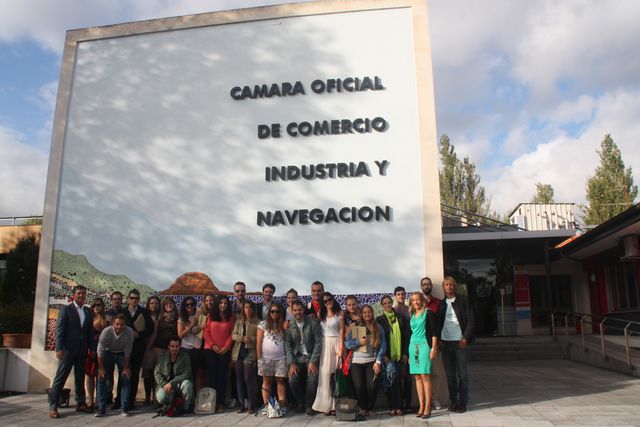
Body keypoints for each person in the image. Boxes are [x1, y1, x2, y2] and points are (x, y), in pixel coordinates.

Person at [48, 285, 94, 418]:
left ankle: (80, 403)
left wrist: (92, 348)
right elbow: (60, 330)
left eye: (84, 293)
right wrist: (59, 348)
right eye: (79, 293)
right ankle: (53, 406)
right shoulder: (66, 310)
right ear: (74, 295)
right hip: (67, 350)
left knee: (80, 378)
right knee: (60, 378)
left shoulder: (87, 311)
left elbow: (89, 332)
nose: (81, 295)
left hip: (82, 350)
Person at [437, 276, 475, 413]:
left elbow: (471, 320)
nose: (449, 287)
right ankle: (454, 402)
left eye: (451, 284)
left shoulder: (463, 301)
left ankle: (463, 403)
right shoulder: (441, 304)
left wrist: (465, 338)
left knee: (463, 376)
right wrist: (439, 341)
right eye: (446, 284)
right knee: (450, 376)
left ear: (455, 286)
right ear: (443, 287)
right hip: (446, 344)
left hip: (460, 343)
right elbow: (437, 323)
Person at [344, 304, 386, 419]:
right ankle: (363, 408)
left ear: (372, 313)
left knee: (372, 386)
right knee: (359, 386)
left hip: (371, 360)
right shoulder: (355, 326)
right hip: (357, 361)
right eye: (364, 312)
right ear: (361, 314)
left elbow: (383, 345)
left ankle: (371, 408)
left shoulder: (377, 327)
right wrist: (358, 342)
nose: (367, 314)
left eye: (369, 312)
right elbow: (347, 344)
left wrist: (378, 361)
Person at [284, 300, 322, 415]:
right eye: (295, 310)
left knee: (312, 379)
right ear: (292, 311)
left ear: (303, 310)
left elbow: (318, 343)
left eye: (299, 310)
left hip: (310, 356)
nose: (297, 312)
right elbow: (288, 345)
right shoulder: (290, 325)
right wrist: (292, 363)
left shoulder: (313, 322)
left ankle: (309, 405)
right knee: (292, 380)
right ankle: (300, 403)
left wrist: (313, 361)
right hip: (297, 358)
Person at [95, 313, 135, 417]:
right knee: (101, 378)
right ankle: (101, 408)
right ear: (113, 323)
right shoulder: (106, 332)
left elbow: (128, 351)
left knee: (126, 377)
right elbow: (100, 351)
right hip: (108, 352)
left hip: (122, 353)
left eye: (121, 325)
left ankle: (124, 408)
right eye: (117, 324)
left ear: (125, 325)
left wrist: (126, 368)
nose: (119, 327)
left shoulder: (129, 332)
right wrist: (101, 368)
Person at [312, 292, 345, 415]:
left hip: (336, 342)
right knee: (325, 374)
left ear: (333, 300)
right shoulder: (321, 313)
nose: (328, 302)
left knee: (335, 373)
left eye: (329, 300)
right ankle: (325, 404)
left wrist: (341, 348)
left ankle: (335, 405)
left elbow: (341, 330)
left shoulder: (339, 314)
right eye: (325, 301)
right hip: (324, 344)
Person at [377, 294, 410, 416]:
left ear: (392, 303)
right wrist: (383, 355)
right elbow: (378, 339)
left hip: (400, 355)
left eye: (389, 303)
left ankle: (399, 406)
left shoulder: (401, 318)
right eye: (384, 303)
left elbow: (407, 337)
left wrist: (406, 353)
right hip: (387, 356)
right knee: (389, 382)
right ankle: (392, 406)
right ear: (382, 306)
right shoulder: (379, 320)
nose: (387, 305)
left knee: (398, 381)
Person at [408, 292, 439, 419]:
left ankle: (427, 406)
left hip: (425, 346)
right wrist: (408, 354)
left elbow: (434, 332)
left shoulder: (429, 313)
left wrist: (433, 348)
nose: (416, 302)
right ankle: (421, 405)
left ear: (422, 300)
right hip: (413, 346)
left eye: (418, 299)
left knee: (425, 375)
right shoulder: (412, 315)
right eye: (413, 300)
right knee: (417, 377)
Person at [120, 289, 152, 410]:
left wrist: (140, 334)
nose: (134, 300)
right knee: (123, 373)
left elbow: (150, 328)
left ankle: (131, 400)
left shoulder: (144, 312)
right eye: (132, 298)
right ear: (128, 299)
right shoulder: (122, 311)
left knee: (135, 375)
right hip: (123, 346)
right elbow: (116, 326)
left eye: (136, 298)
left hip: (138, 347)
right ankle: (121, 399)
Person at [203, 294, 235, 413]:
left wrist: (226, 347)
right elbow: (205, 332)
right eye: (221, 303)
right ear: (217, 304)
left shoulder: (231, 318)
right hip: (210, 350)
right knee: (212, 377)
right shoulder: (211, 316)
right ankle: (212, 402)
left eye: (225, 303)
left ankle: (220, 403)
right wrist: (213, 345)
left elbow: (232, 333)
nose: (223, 305)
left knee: (222, 377)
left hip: (224, 351)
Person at [420, 276, 448, 410]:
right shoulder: (417, 303)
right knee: (423, 374)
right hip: (420, 345)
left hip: (434, 345)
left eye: (428, 284)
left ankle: (435, 399)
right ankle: (425, 401)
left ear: (431, 286)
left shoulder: (439, 303)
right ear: (421, 287)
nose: (426, 286)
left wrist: (439, 342)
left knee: (436, 373)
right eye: (424, 284)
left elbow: (441, 323)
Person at [256, 302, 288, 414]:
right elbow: (259, 341)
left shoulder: (283, 325)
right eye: (272, 311)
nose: (275, 314)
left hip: (281, 358)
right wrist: (259, 357)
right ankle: (266, 405)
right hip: (266, 358)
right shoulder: (262, 324)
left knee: (281, 381)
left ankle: (282, 405)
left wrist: (285, 327)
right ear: (269, 313)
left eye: (277, 312)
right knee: (266, 381)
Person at [232, 300, 259, 413]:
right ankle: (242, 404)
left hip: (250, 353)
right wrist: (241, 338)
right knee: (239, 379)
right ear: (243, 309)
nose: (248, 309)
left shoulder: (258, 322)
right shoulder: (239, 321)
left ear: (253, 309)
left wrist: (251, 339)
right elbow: (233, 335)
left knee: (249, 379)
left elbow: (261, 338)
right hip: (238, 352)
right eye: (246, 307)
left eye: (250, 307)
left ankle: (252, 404)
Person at [154, 336, 193, 413]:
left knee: (187, 384)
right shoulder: (162, 358)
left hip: (179, 385)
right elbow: (157, 373)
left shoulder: (185, 357)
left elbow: (187, 373)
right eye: (172, 346)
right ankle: (167, 406)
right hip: (166, 386)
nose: (175, 349)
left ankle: (185, 408)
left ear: (180, 346)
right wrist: (164, 384)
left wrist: (172, 383)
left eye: (177, 346)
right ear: (168, 347)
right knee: (161, 396)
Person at [85, 297, 109, 411]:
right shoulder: (88, 318)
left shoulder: (107, 319)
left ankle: (99, 400)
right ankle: (90, 400)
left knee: (101, 376)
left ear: (102, 306)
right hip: (91, 349)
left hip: (103, 350)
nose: (96, 307)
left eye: (99, 305)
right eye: (94, 305)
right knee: (90, 375)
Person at [177, 297, 202, 393]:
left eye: (192, 304)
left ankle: (198, 398)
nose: (190, 306)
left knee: (199, 375)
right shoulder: (182, 318)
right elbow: (180, 335)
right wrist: (191, 326)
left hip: (197, 348)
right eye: (187, 305)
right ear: (184, 306)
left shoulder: (199, 316)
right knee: (187, 374)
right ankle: (188, 399)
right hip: (186, 349)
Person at [141, 295, 161, 406]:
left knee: (156, 374)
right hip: (146, 348)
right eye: (152, 303)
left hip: (157, 348)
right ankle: (147, 397)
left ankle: (156, 397)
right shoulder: (144, 316)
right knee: (147, 373)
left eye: (156, 303)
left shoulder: (161, 317)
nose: (154, 305)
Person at [194, 294, 215, 392]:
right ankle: (198, 396)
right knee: (199, 372)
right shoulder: (199, 313)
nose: (209, 302)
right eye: (207, 301)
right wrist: (199, 328)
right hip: (200, 345)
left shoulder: (217, 313)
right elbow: (193, 330)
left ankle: (209, 398)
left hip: (213, 345)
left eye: (211, 300)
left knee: (210, 373)